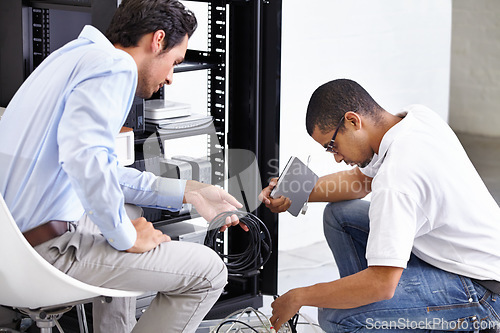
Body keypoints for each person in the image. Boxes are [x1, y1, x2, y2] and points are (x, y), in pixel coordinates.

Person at [0, 0, 246, 332]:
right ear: (157, 40)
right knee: (209, 271)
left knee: (128, 211)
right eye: (174, 62)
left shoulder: (70, 56)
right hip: (43, 252)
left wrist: (189, 191)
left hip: (12, 246)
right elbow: (86, 158)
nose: (171, 77)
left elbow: (99, 169)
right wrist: (125, 237)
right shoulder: (116, 66)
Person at [260, 79, 500, 332]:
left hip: (485, 293)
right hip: (467, 263)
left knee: (338, 316)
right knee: (341, 215)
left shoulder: (396, 179)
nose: (337, 157)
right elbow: (361, 180)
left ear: (353, 121)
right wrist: (293, 191)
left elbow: (382, 284)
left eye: (332, 146)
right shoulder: (416, 119)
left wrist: (300, 296)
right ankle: (373, 313)